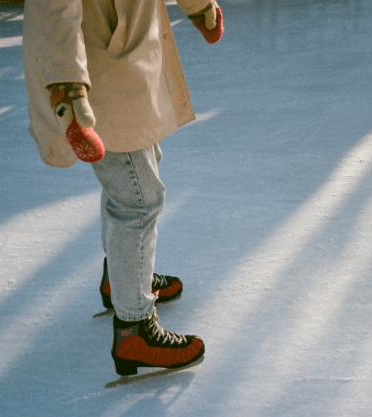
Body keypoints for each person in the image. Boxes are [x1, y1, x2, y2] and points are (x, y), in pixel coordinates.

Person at [22, 0, 223, 378]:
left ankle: (122, 281)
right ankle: (135, 329)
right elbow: (53, 9)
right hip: (95, 75)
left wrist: (199, 6)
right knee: (137, 197)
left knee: (137, 169)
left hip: (128, 58)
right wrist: (67, 88)